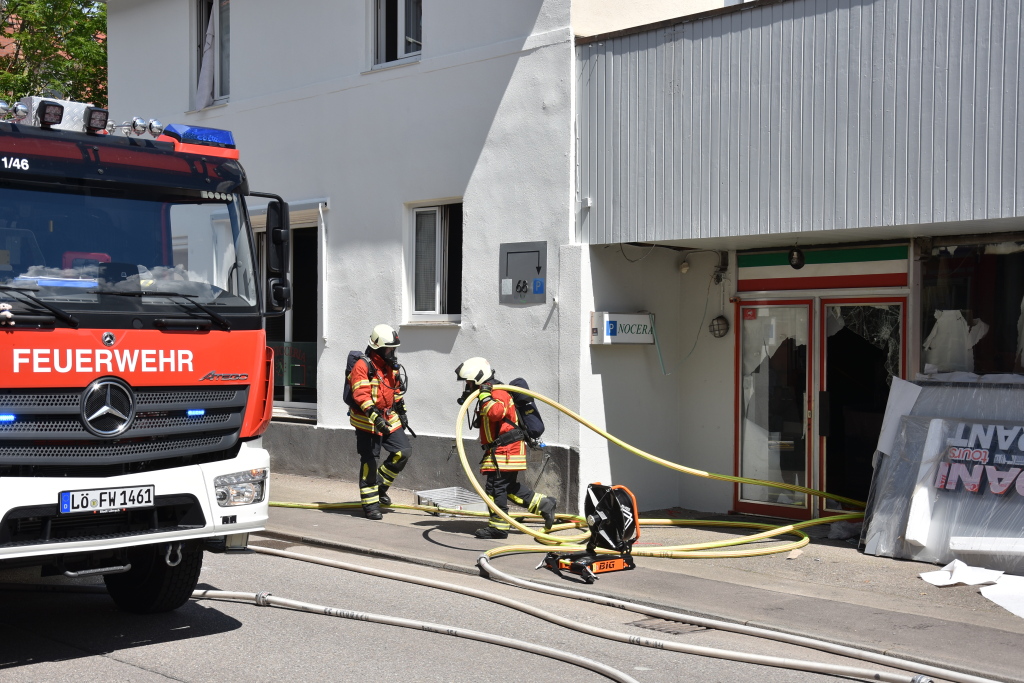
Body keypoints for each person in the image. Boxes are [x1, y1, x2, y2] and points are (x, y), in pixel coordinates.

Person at [455, 357, 557, 539]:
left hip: (505, 451)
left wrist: (484, 395)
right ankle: (544, 505)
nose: (467, 387)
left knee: (495, 488)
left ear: (477, 379)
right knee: (509, 488)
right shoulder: (489, 393)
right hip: (503, 451)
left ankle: (499, 528)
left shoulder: (497, 393)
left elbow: (496, 413)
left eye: (469, 383)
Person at [349, 324, 412, 520]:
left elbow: (395, 392)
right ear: (377, 348)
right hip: (367, 421)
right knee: (370, 461)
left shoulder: (390, 367)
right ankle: (370, 505)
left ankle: (380, 487)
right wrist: (375, 416)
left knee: (402, 451)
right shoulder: (363, 366)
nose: (392, 352)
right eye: (389, 349)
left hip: (388, 417)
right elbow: (361, 394)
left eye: (394, 348)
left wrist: (401, 411)